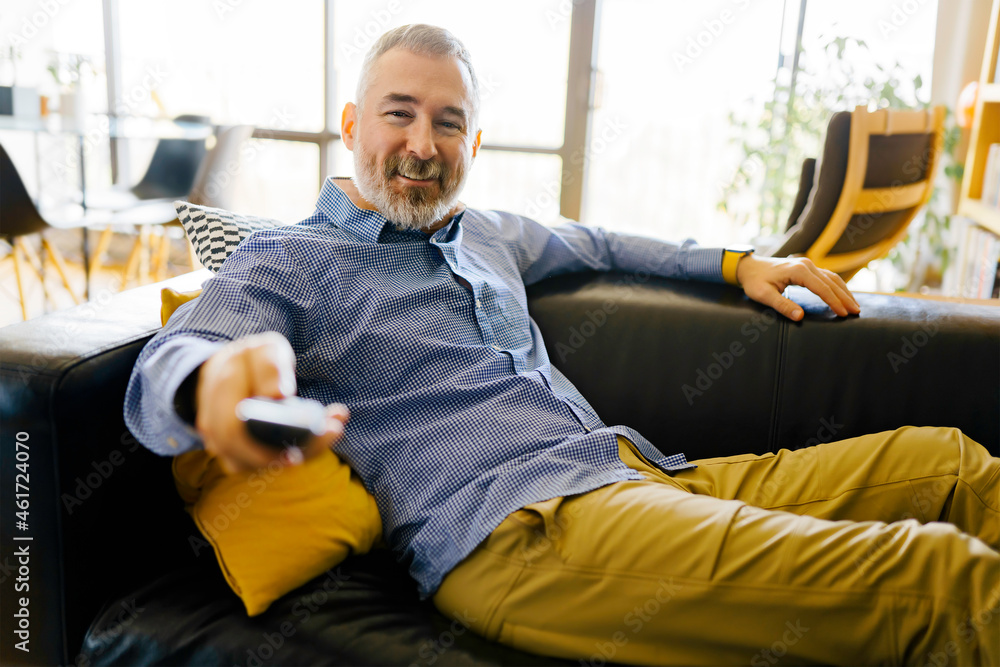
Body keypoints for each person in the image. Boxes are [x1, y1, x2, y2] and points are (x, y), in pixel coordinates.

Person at [125, 24, 999, 666]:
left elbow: (604, 243)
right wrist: (215, 387)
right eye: (399, 115)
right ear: (353, 123)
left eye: (450, 122)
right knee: (939, 578)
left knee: (953, 467)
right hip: (515, 533)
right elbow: (183, 349)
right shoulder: (289, 259)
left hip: (637, 474)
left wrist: (740, 264)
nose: (422, 146)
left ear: (474, 140)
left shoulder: (488, 231)